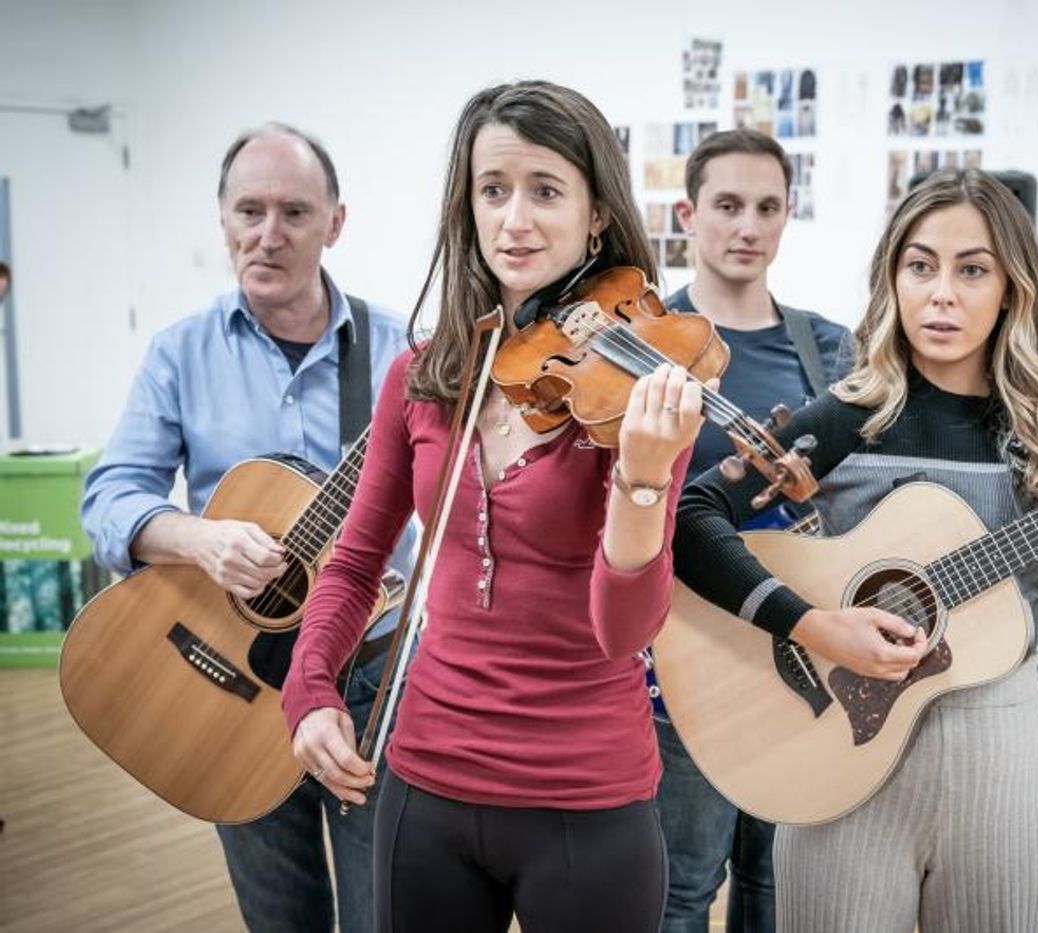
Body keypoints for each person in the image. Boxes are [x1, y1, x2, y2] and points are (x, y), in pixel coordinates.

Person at [673, 168, 1038, 932]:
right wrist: (810, 624)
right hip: (836, 756)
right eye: (921, 265)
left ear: (1011, 288)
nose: (941, 292)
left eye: (972, 268)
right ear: (895, 278)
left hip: (1000, 753)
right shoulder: (849, 416)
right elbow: (692, 515)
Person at [281, 80, 704, 933]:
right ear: (466, 206)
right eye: (493, 189)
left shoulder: (643, 393)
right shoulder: (423, 376)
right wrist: (310, 686)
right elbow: (358, 561)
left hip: (587, 801)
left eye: (545, 190)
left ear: (595, 215)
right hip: (425, 785)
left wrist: (642, 479)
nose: (515, 218)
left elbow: (626, 631)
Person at [80, 124, 415, 932]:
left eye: (295, 212)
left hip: (367, 679)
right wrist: (201, 539)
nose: (269, 234)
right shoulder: (179, 352)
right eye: (250, 210)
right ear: (223, 220)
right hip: (227, 677)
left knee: (386, 914)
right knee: (279, 918)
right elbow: (110, 497)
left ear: (334, 223)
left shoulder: (405, 352)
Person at [657, 128, 850, 933]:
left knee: (779, 885)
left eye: (767, 207)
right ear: (688, 215)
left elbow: (849, 501)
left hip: (796, 647)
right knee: (681, 886)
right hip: (680, 658)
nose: (748, 226)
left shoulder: (828, 346)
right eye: (728, 205)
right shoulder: (641, 345)